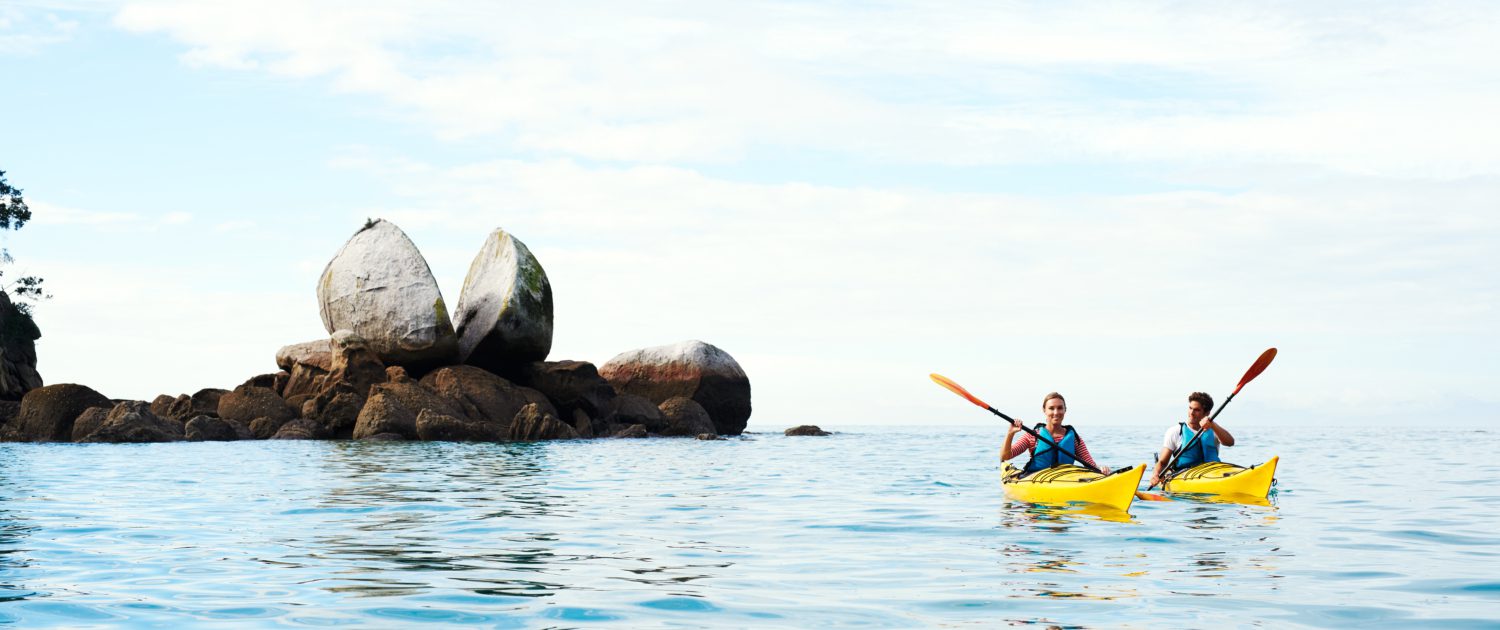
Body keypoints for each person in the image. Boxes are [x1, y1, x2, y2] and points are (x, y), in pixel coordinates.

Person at [1001, 392, 1111, 475]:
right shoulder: (1032, 436)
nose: (1056, 412)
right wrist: (1010, 433)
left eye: (1060, 408)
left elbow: (1091, 465)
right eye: (1051, 408)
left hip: (1064, 480)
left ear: (1065, 410)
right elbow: (1005, 456)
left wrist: (1101, 469)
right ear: (1044, 410)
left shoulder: (1074, 439)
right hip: (1037, 481)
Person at [1149, 391, 1236, 487]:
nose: (1191, 413)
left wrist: (1213, 425)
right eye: (1190, 408)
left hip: (1214, 472)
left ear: (1207, 413)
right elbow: (1162, 462)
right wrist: (1156, 474)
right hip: (1185, 476)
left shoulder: (1214, 430)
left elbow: (1230, 442)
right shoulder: (1176, 431)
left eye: (1197, 410)